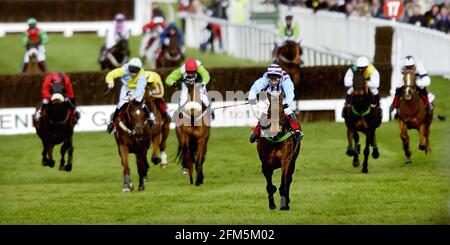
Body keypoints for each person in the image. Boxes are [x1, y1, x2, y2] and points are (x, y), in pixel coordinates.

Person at [248, 64, 303, 143]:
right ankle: (256, 132)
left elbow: (290, 93)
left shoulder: (286, 79)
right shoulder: (265, 78)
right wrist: (252, 99)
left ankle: (297, 131)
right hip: (269, 98)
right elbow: (254, 89)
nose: (273, 82)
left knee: (288, 111)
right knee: (264, 111)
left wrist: (286, 103)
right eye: (271, 79)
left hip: (282, 99)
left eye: (275, 79)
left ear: (280, 77)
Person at [105, 57, 155, 134]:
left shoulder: (142, 76)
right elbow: (112, 74)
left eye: (136, 71)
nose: (133, 73)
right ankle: (112, 123)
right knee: (121, 104)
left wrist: (135, 97)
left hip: (137, 89)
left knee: (140, 104)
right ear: (128, 67)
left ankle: (150, 118)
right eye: (131, 70)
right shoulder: (124, 69)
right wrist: (110, 81)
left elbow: (140, 89)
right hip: (126, 88)